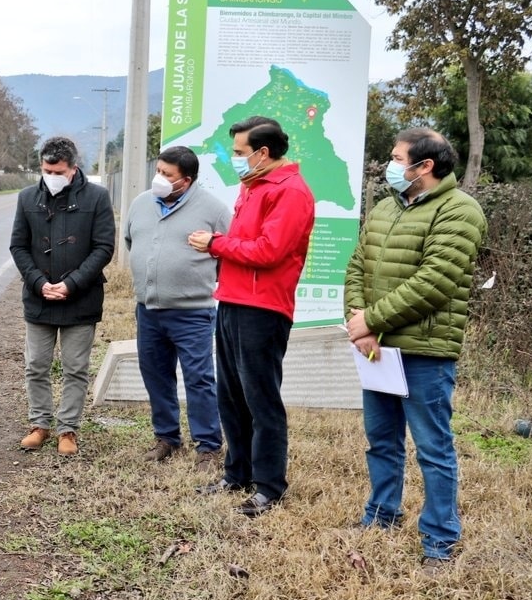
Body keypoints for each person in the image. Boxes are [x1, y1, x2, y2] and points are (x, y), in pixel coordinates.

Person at [345, 128, 486, 573]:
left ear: (425, 165)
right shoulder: (387, 206)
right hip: (378, 350)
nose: (389, 164)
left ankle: (440, 540)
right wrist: (359, 321)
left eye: (396, 157)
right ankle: (381, 515)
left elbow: (435, 282)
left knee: (432, 447)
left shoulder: (460, 211)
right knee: (381, 440)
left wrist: (372, 320)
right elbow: (356, 265)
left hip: (425, 351)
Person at [188, 116, 315, 517]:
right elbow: (247, 244)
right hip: (233, 300)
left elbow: (268, 251)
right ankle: (236, 473)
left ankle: (269, 486)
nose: (235, 159)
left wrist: (216, 244)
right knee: (231, 395)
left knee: (261, 399)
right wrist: (223, 246)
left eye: (240, 153)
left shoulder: (291, 192)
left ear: (263, 153)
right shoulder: (253, 186)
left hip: (264, 308)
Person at [125, 145, 231, 474]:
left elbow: (228, 253)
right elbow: (131, 241)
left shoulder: (212, 209)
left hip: (193, 312)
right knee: (156, 375)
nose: (159, 178)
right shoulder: (141, 204)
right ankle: (167, 438)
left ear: (184, 181)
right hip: (149, 310)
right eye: (158, 171)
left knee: (199, 379)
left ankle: (208, 446)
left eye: (167, 175)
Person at [10, 137, 115, 456]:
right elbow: (18, 246)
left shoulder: (97, 197)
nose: (50, 176)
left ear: (73, 169)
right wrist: (39, 282)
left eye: (57, 171)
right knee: (36, 365)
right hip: (38, 298)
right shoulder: (28, 197)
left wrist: (71, 283)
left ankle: (67, 429)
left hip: (80, 300)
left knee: (75, 367)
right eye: (45, 170)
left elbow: (103, 247)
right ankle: (39, 424)